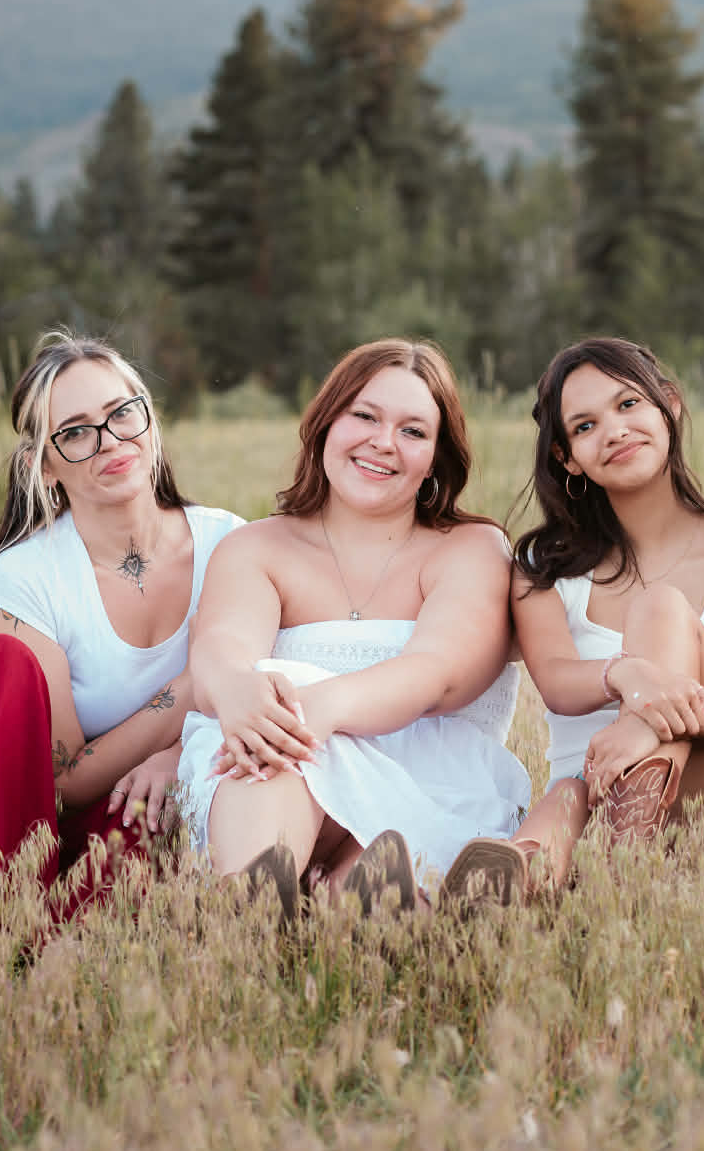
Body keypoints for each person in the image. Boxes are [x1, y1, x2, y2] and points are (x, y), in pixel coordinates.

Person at [0, 330, 243, 929]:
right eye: (77, 431)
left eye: (121, 413)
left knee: (143, 825)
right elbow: (68, 778)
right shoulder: (22, 576)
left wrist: (182, 754)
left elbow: (266, 687)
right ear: (44, 465)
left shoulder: (230, 546)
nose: (110, 441)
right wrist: (195, 685)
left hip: (70, 818)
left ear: (150, 420)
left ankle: (20, 937)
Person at [173, 339, 527, 915]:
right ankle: (254, 920)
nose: (383, 442)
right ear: (326, 422)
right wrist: (238, 691)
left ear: (437, 456)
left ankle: (353, 906)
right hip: (277, 772)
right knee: (272, 746)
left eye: (413, 432)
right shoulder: (256, 546)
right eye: (364, 415)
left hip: (424, 785)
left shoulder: (471, 549)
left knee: (373, 875)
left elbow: (436, 672)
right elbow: (221, 646)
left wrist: (320, 708)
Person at [447, 337, 704, 904]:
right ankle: (518, 882)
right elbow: (559, 684)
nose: (613, 430)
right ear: (567, 457)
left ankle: (619, 850)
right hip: (588, 804)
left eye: (629, 405)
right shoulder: (543, 568)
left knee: (659, 605)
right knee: (567, 791)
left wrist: (646, 724)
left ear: (670, 405)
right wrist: (628, 676)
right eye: (584, 427)